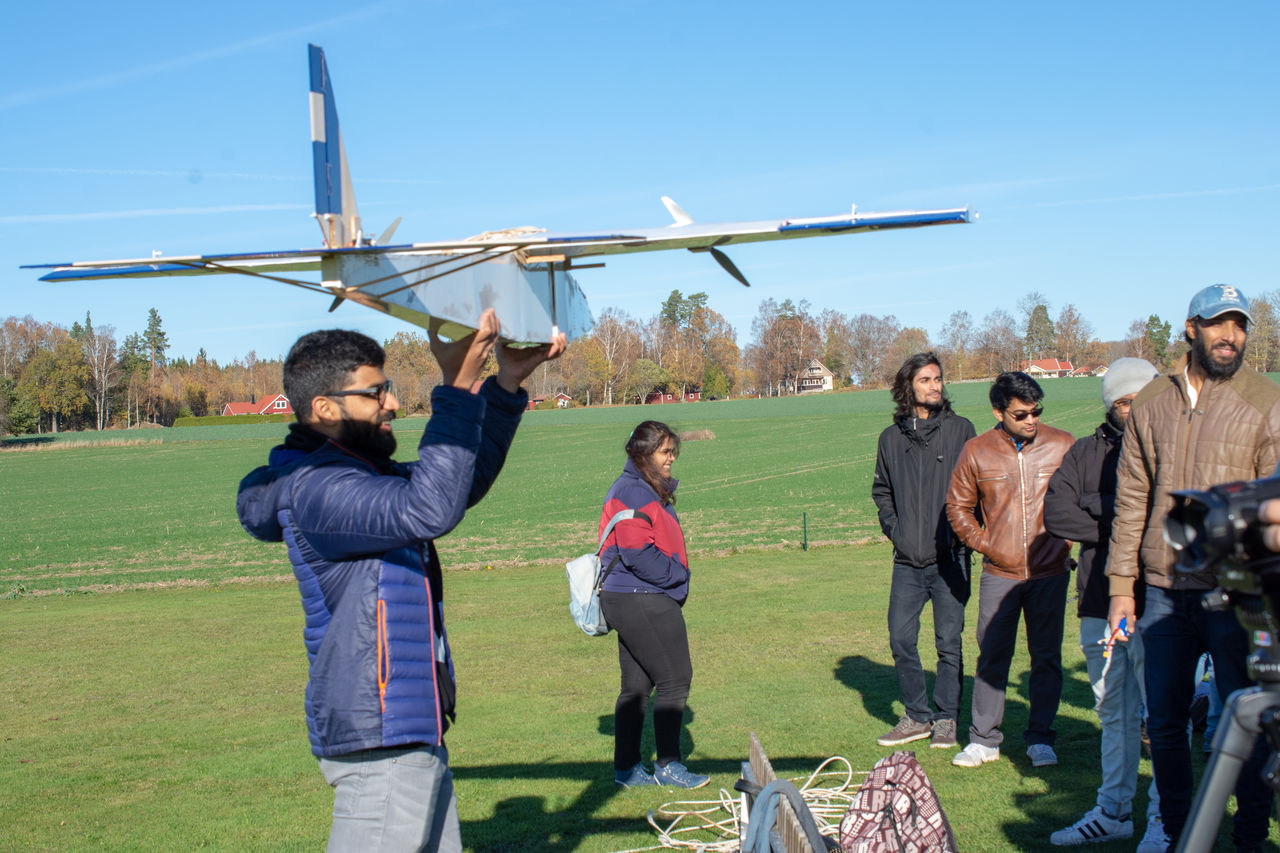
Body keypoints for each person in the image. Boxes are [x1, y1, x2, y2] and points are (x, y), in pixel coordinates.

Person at [236, 311, 565, 852]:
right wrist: (457, 383)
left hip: (407, 730)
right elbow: (431, 508)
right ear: (324, 408)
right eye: (376, 392)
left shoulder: (359, 478)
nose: (391, 403)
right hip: (380, 737)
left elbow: (455, 484)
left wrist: (504, 385)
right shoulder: (320, 490)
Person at [1106, 284, 1280, 852]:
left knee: (1247, 722)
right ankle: (1178, 833)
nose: (1231, 336)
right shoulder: (1152, 401)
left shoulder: (1265, 400)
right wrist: (1120, 588)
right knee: (1165, 725)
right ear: (1191, 328)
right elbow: (1132, 497)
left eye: (1240, 325)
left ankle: (1251, 837)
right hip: (1162, 591)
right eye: (1218, 324)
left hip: (1238, 592)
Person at [1043, 358, 1163, 848]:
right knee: (1112, 711)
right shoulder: (1085, 453)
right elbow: (1056, 512)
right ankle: (1113, 812)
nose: (1136, 411)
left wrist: (1100, 509)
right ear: (1112, 405)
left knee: (1162, 718)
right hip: (1097, 598)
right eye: (1126, 402)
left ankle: (1164, 817)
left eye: (1144, 400)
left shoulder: (1171, 449)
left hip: (1157, 601)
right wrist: (1121, 524)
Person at [945, 371, 1074, 769]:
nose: (1031, 420)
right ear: (998, 412)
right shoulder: (976, 451)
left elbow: (1082, 499)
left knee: (1047, 657)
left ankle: (1040, 739)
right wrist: (987, 544)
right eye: (1021, 414)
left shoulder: (1064, 445)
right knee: (992, 655)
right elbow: (957, 507)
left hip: (1051, 572)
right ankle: (984, 740)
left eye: (1037, 412)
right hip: (999, 574)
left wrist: (1066, 540)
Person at [871, 352, 976, 749]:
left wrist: (961, 534)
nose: (935, 386)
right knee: (900, 638)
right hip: (906, 562)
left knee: (948, 643)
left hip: (951, 559)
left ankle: (946, 718)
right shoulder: (890, 439)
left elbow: (977, 488)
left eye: (938, 379)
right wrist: (896, 532)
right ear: (907, 387)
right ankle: (917, 715)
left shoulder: (961, 431)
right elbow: (882, 492)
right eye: (926, 380)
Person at [598, 420, 708, 789]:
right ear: (644, 453)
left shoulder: (640, 488)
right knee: (675, 679)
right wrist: (677, 576)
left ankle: (627, 771)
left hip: (630, 596)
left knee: (636, 687)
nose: (671, 458)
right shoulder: (632, 491)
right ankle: (669, 766)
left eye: (672, 450)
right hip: (640, 596)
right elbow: (635, 552)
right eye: (665, 451)